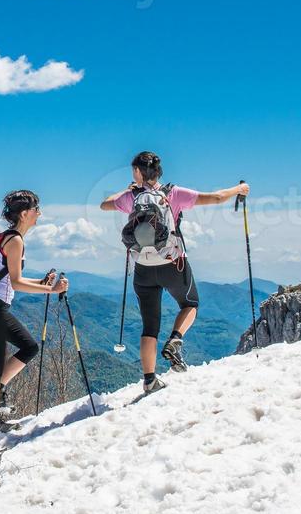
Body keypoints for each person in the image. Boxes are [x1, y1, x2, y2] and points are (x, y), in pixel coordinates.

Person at [100, 152, 249, 393]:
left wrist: (128, 191)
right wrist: (239, 188)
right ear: (159, 172)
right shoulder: (173, 193)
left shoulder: (131, 197)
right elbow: (217, 197)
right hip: (172, 263)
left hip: (143, 269)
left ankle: (149, 380)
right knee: (190, 303)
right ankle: (176, 339)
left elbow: (104, 204)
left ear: (137, 172)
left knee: (149, 326)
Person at [0, 190, 68, 433]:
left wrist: (41, 282)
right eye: (36, 209)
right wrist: (52, 290)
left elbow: (9, 278)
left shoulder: (11, 238)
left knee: (29, 347)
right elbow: (15, 282)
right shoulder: (15, 240)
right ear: (25, 214)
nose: (39, 213)